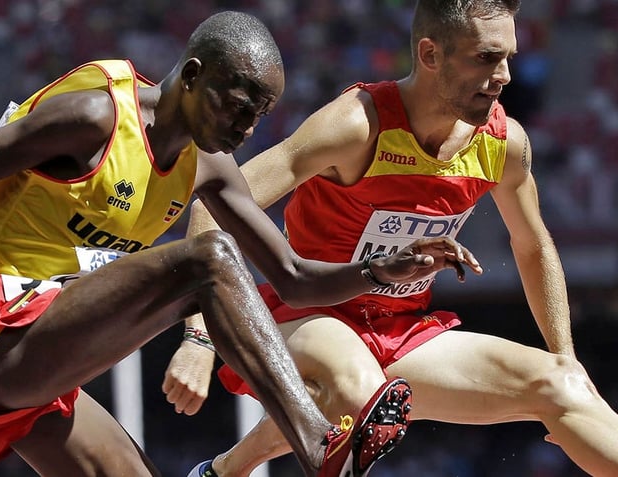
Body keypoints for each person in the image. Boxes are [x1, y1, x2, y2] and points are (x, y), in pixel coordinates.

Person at [0, 11, 479, 477]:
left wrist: (384, 268)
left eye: (259, 115)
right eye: (234, 102)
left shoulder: (208, 165)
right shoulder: (96, 115)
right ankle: (318, 445)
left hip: (47, 360)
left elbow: (296, 277)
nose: (244, 127)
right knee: (208, 261)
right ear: (189, 76)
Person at [174, 2, 618, 476]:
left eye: (509, 56)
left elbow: (534, 247)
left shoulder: (502, 144)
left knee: (563, 385)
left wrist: (567, 357)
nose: (506, 75)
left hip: (401, 333)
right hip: (309, 317)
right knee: (360, 393)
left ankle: (222, 472)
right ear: (430, 54)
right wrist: (198, 339)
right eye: (487, 58)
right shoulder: (357, 126)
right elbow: (212, 208)